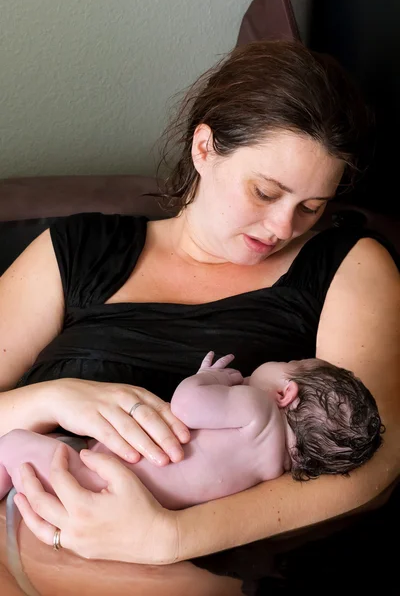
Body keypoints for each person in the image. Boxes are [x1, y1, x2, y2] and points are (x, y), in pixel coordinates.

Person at [0, 39, 399, 596]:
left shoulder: (346, 264)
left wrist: (169, 537)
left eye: (311, 207)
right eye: (265, 192)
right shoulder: (76, 249)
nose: (284, 227)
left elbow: (376, 458)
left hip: (164, 570)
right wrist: (51, 398)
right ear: (205, 147)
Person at [0, 352, 384, 507]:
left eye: (289, 359)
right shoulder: (271, 470)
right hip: (114, 498)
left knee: (11, 443)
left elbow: (186, 406)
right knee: (39, 451)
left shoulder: (258, 409)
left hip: (93, 478)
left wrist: (210, 377)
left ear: (286, 393)